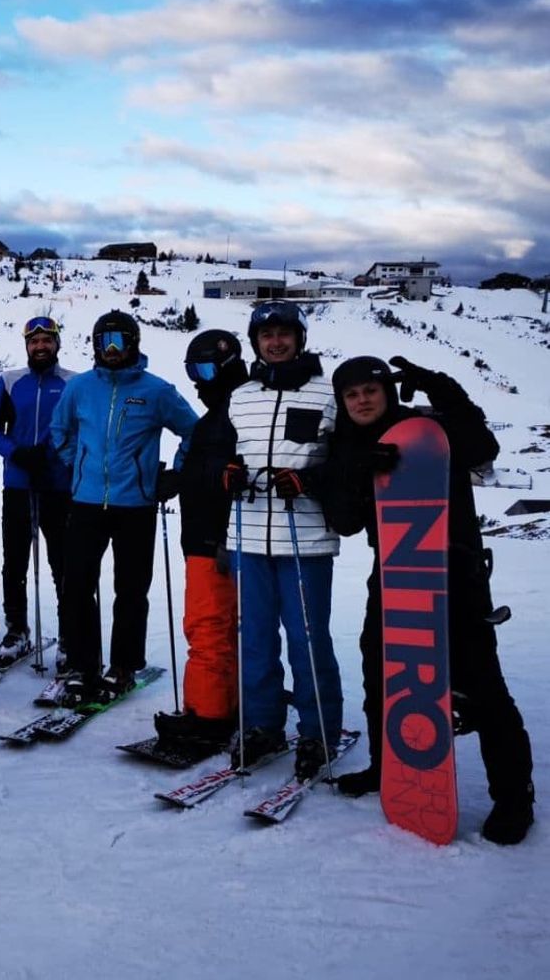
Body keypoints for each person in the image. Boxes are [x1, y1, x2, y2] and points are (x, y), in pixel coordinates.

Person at [323, 355, 534, 844]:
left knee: (481, 684)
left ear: (387, 391)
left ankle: (513, 797)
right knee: (384, 676)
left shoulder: (429, 430)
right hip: (394, 576)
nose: (362, 400)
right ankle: (388, 768)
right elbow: (345, 521)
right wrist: (358, 472)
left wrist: (442, 388)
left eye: (371, 390)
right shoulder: (346, 446)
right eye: (351, 394)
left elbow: (482, 447)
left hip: (456, 573)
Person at [49, 310, 197, 702]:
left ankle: (123, 666)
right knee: (77, 585)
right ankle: (82, 665)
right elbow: (59, 429)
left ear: (133, 343)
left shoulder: (156, 390)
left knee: (131, 588)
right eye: (103, 341)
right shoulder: (80, 387)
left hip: (136, 505)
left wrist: (175, 474)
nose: (110, 349)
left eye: (118, 340)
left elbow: (193, 431)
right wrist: (77, 465)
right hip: (86, 501)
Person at [223, 300, 341, 781]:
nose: (275, 342)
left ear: (300, 338)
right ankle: (263, 725)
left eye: (284, 333)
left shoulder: (328, 394)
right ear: (255, 342)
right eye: (266, 335)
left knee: (307, 639)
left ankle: (318, 731)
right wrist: (227, 472)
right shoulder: (240, 396)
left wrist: (309, 481)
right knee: (254, 638)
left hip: (305, 539)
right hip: (247, 535)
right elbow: (227, 453)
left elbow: (344, 462)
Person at [152, 330, 248, 750]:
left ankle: (209, 715)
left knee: (208, 624)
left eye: (205, 370)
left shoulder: (237, 414)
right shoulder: (216, 418)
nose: (197, 381)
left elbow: (230, 476)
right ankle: (232, 701)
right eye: (192, 370)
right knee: (224, 625)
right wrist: (175, 479)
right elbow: (205, 471)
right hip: (208, 534)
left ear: (227, 365)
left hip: (216, 538)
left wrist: (223, 534)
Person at [0, 314, 75, 661]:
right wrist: (16, 452)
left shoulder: (72, 383)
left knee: (63, 561)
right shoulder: (9, 381)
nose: (40, 346)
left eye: (46, 340)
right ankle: (17, 629)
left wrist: (52, 457)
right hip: (19, 483)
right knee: (15, 561)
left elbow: (78, 430)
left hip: (57, 485)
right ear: (27, 346)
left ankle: (69, 635)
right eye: (34, 341)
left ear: (56, 344)